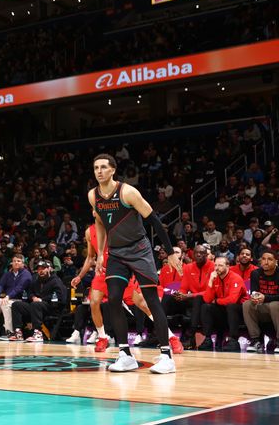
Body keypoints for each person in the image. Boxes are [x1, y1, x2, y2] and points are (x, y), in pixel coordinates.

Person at [89, 154, 183, 374]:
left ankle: (166, 356)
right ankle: (125, 355)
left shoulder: (128, 192)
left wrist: (170, 253)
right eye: (96, 168)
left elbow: (155, 222)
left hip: (139, 250)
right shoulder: (93, 196)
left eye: (103, 167)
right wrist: (101, 253)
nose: (99, 171)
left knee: (151, 300)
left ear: (113, 170)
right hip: (116, 253)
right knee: (113, 298)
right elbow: (99, 223)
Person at [161, 244, 214, 349]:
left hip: (207, 299)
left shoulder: (213, 266)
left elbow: (209, 291)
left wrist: (188, 295)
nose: (199, 255)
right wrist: (180, 294)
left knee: (197, 299)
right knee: (168, 296)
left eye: (202, 253)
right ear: (193, 255)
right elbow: (184, 287)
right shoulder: (189, 267)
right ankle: (159, 332)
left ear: (206, 255)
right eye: (196, 253)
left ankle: (191, 336)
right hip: (191, 297)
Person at [199, 256, 248, 351]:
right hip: (223, 311)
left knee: (231, 306)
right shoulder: (214, 277)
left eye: (220, 265)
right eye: (215, 265)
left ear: (228, 266)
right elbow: (207, 300)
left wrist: (217, 301)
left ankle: (233, 340)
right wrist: (210, 281)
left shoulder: (235, 278)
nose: (217, 268)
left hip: (239, 311)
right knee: (206, 307)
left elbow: (233, 300)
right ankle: (208, 339)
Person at [10, 260, 67, 342]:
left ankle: (38, 333)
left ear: (49, 269)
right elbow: (29, 292)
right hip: (36, 307)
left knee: (36, 304)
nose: (41, 271)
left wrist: (41, 299)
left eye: (43, 268)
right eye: (39, 269)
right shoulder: (36, 280)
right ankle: (18, 332)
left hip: (52, 307)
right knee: (16, 305)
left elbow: (60, 296)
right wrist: (33, 297)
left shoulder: (56, 281)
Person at [0, 254, 31, 340]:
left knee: (5, 303)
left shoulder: (26, 274)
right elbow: (0, 285)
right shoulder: (8, 274)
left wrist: (8, 296)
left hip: (21, 300)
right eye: (14, 261)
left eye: (18, 261)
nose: (16, 262)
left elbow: (19, 288)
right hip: (9, 298)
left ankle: (10, 332)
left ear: (23, 263)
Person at [244, 251, 279, 353]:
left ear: (276, 261)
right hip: (262, 307)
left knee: (274, 305)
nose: (266, 262)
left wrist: (265, 298)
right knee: (247, 304)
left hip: (275, 308)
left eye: (270, 259)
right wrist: (255, 297)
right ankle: (255, 340)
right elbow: (254, 292)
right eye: (263, 259)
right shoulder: (255, 273)